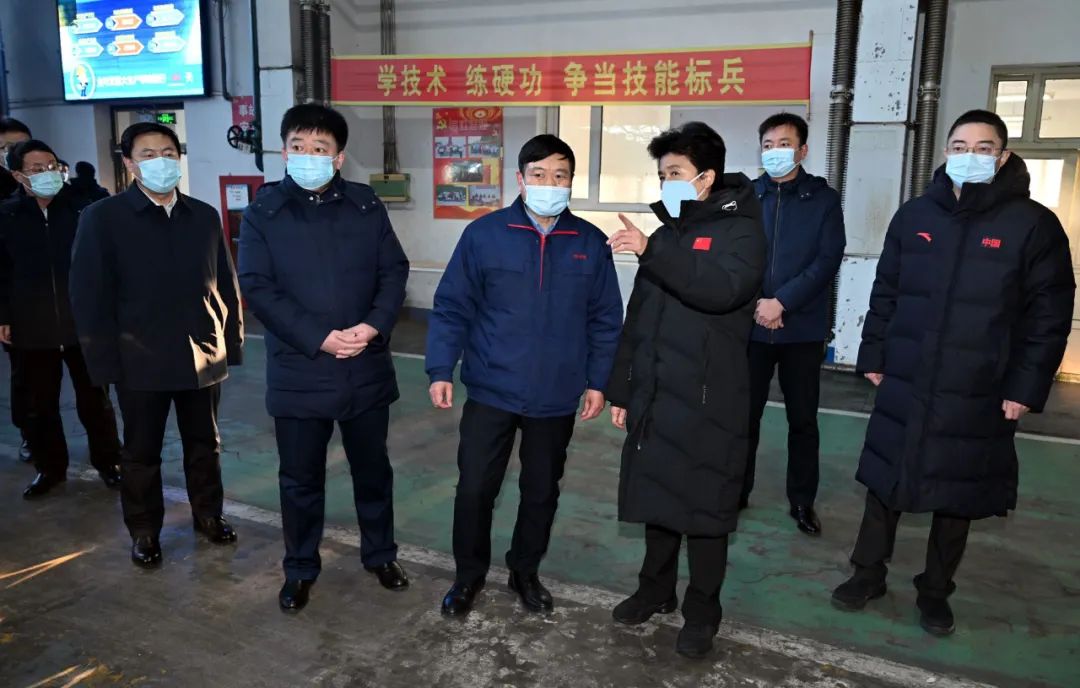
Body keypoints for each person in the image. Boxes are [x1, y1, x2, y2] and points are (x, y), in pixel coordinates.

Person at [831, 110, 1075, 637]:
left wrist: (1025, 387)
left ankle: (936, 590)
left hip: (979, 385)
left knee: (958, 492)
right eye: (960, 146)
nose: (970, 156)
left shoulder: (1032, 225)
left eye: (984, 148)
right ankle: (867, 572)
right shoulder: (916, 216)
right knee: (886, 478)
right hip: (909, 375)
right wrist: (874, 353)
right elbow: (887, 290)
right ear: (945, 152)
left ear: (1003, 157)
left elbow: (1049, 316)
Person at [426, 134, 623, 617]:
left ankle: (524, 571)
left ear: (571, 182)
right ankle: (468, 576)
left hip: (555, 394)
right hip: (492, 388)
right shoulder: (484, 234)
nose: (549, 184)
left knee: (541, 490)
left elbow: (605, 319)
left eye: (559, 176)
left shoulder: (589, 242)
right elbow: (452, 306)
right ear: (520, 179)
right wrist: (440, 368)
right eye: (539, 174)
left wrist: (599, 382)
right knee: (475, 488)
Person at [238, 104, 412, 613]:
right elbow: (258, 288)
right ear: (283, 151)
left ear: (338, 158)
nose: (308, 155)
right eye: (299, 146)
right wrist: (319, 338)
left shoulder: (365, 205)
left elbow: (394, 271)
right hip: (300, 370)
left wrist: (372, 326)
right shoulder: (264, 212)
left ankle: (380, 555)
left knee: (373, 472)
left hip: (364, 365)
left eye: (320, 148)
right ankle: (299, 568)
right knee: (300, 480)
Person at [605, 121, 766, 659]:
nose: (666, 182)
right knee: (657, 498)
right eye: (662, 174)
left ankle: (702, 612)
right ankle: (655, 590)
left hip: (708, 397)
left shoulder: (742, 232)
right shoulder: (669, 231)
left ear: (706, 177)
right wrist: (623, 388)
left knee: (705, 510)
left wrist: (652, 250)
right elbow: (639, 317)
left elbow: (719, 290)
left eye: (675, 172)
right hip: (657, 390)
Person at [69, 122, 244, 569]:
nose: (160, 162)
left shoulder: (202, 216)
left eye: (167, 153)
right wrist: (103, 363)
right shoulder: (102, 218)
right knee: (141, 452)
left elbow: (224, 282)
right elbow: (88, 296)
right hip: (138, 359)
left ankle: (209, 514)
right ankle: (145, 530)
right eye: (148, 155)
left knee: (204, 443)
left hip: (202, 354)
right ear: (129, 163)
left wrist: (231, 342)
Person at [0, 140, 122, 497]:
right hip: (30, 325)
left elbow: (105, 265)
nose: (47, 173)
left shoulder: (82, 209)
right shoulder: (7, 216)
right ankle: (50, 469)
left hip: (82, 323)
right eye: (37, 169)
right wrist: (4, 315)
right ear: (18, 175)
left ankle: (109, 462)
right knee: (40, 404)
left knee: (95, 400)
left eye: (52, 166)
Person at [744, 113, 846, 535]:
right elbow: (734, 257)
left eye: (784, 144)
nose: (775, 152)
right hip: (751, 326)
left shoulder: (823, 200)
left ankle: (802, 501)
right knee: (743, 416)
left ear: (802, 151)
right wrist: (758, 303)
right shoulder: (747, 198)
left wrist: (782, 301)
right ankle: (735, 491)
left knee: (802, 420)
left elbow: (827, 259)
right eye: (768, 145)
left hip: (801, 328)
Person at [0, 116, 34, 462]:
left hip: (61, 303)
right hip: (18, 307)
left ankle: (107, 453)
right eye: (8, 147)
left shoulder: (47, 181)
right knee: (26, 377)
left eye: (22, 144)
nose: (17, 151)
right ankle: (31, 436)